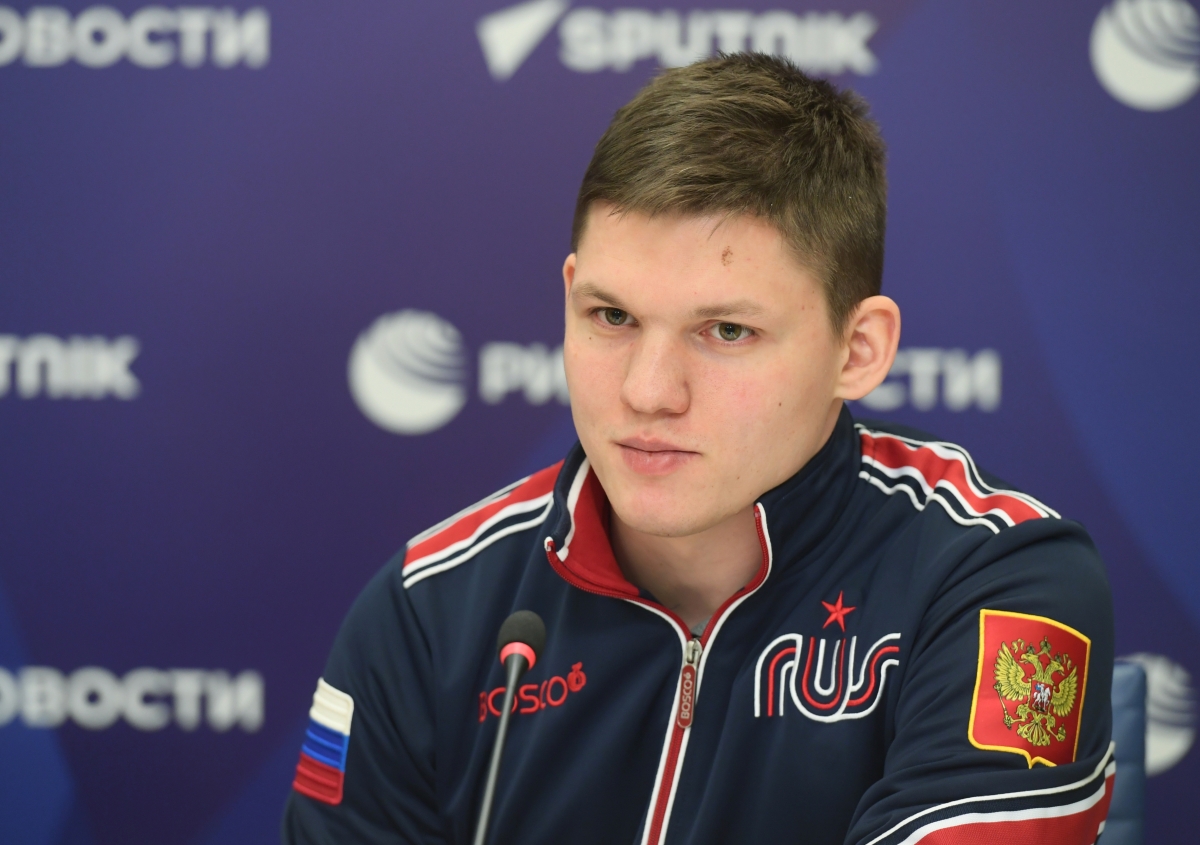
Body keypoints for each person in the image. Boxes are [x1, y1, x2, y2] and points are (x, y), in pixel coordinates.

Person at [282, 53, 1114, 845]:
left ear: (857, 349)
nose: (648, 391)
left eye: (726, 331)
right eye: (612, 317)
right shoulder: (430, 610)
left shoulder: (1001, 583)